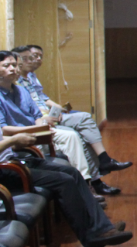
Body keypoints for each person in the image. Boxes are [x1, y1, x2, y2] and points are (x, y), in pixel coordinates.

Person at [0, 60, 132, 247]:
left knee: (71, 171)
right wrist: (12, 141)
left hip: (7, 162)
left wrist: (18, 141)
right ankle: (92, 237)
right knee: (64, 181)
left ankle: (102, 228)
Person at [0, 51, 112, 199]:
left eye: (14, 65)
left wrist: (42, 127)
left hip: (37, 131)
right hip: (19, 137)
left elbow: (37, 116)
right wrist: (36, 129)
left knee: (72, 136)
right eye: (6, 65)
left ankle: (86, 183)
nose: (12, 69)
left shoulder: (21, 90)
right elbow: (3, 129)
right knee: (71, 135)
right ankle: (84, 187)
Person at [14, 45, 131, 196]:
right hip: (40, 123)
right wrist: (45, 117)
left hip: (46, 115)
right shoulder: (16, 86)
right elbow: (28, 114)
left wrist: (56, 108)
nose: (33, 60)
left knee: (85, 120)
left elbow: (42, 98)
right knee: (79, 133)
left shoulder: (30, 77)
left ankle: (101, 167)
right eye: (27, 58)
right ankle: (95, 179)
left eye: (36, 57)